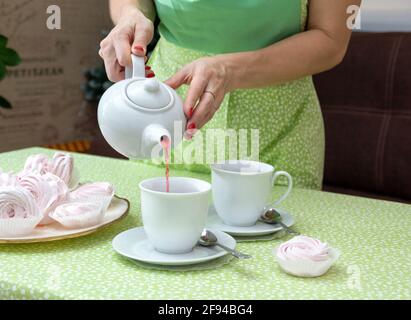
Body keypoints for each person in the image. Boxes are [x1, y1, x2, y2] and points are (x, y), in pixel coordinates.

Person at [99, 0, 361, 189]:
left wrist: (229, 70)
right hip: (166, 117)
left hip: (277, 132)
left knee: (271, 248)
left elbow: (331, 39)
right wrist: (130, 14)